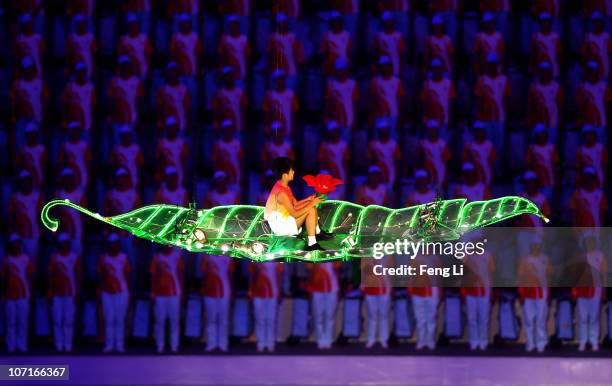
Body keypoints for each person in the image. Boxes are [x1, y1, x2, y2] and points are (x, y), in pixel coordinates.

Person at [263, 157, 332, 251]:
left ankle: (317, 232)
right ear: (284, 175)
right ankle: (312, 243)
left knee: (310, 204)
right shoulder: (281, 193)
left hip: (284, 220)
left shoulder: (284, 186)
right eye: (291, 170)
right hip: (281, 227)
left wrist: (309, 199)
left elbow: (295, 204)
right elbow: (295, 214)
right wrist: (311, 204)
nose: (293, 172)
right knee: (310, 208)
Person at [97, 233, 131, 353]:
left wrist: (128, 292)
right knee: (109, 319)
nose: (113, 247)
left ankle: (120, 345)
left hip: (122, 292)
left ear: (118, 245)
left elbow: (127, 276)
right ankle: (109, 344)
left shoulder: (123, 258)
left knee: (120, 319)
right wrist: (100, 292)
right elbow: (100, 276)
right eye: (111, 245)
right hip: (107, 293)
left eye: (115, 244)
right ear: (108, 245)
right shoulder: (104, 259)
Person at [572, 234, 607, 352]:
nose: (590, 243)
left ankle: (594, 342)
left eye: (592, 241)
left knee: (594, 318)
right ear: (584, 243)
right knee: (582, 317)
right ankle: (582, 342)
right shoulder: (580, 257)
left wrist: (604, 288)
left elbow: (604, 273)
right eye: (587, 241)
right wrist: (574, 291)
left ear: (595, 242)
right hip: (582, 290)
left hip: (595, 289)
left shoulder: (600, 255)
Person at [48, 233, 81, 352]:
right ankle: (58, 345)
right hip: (57, 294)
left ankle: (68, 345)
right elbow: (50, 276)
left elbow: (78, 275)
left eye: (66, 243)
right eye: (62, 243)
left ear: (69, 244)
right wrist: (50, 292)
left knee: (68, 320)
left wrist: (77, 292)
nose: (64, 245)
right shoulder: (54, 258)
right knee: (57, 320)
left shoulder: (74, 257)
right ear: (59, 245)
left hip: (70, 293)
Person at [518, 236, 552, 352]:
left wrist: (549, 292)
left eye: (538, 245)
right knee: (529, 320)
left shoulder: (545, 259)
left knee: (541, 320)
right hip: (528, 293)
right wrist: (521, 292)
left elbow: (550, 276)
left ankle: (541, 343)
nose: (536, 247)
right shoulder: (525, 260)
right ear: (530, 246)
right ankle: (530, 343)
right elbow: (520, 277)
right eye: (533, 245)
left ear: (541, 246)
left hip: (542, 292)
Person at [1, 234, 34, 353]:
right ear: (11, 245)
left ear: (20, 244)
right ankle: (11, 346)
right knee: (11, 322)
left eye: (18, 243)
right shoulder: (7, 260)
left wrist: (30, 293)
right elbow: (3, 278)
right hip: (10, 296)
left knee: (22, 322)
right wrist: (3, 293)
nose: (16, 245)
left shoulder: (26, 258)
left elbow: (30, 277)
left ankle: (22, 346)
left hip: (24, 295)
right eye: (14, 243)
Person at [151, 244, 184, 353]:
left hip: (174, 293)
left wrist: (181, 292)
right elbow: (154, 276)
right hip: (160, 294)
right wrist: (153, 292)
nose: (167, 247)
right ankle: (160, 346)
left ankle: (174, 346)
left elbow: (180, 274)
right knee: (160, 321)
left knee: (174, 321)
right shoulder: (157, 257)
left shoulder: (177, 256)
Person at [201, 254, 234, 352]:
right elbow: (204, 274)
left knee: (223, 320)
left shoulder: (228, 257)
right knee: (211, 320)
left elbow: (230, 275)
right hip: (209, 292)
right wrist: (203, 290)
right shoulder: (206, 257)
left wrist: (231, 292)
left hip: (224, 292)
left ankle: (223, 344)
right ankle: (211, 343)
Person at [248, 261, 284, 352]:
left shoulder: (277, 256)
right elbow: (251, 275)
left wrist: (279, 291)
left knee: (271, 319)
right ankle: (261, 343)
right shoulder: (255, 256)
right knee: (260, 319)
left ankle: (270, 343)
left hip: (272, 292)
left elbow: (279, 275)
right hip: (258, 292)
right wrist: (250, 290)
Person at [307, 261, 342, 349]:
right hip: (317, 289)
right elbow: (310, 273)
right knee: (318, 316)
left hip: (332, 289)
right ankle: (320, 340)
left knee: (330, 316)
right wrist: (310, 288)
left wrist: (338, 289)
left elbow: (337, 272)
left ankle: (328, 339)